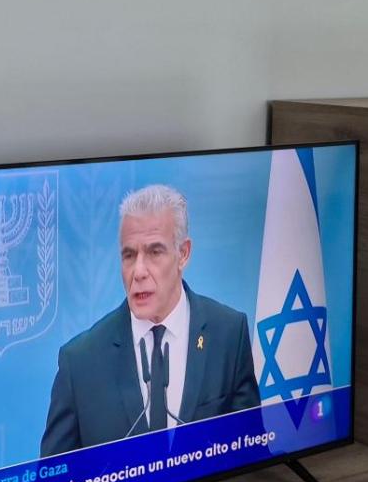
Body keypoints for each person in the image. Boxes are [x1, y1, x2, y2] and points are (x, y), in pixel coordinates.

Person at [40, 183, 259, 455]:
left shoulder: (228, 334)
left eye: (155, 252)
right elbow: (54, 479)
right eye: (129, 255)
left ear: (183, 254)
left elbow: (251, 455)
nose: (139, 271)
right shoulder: (80, 362)